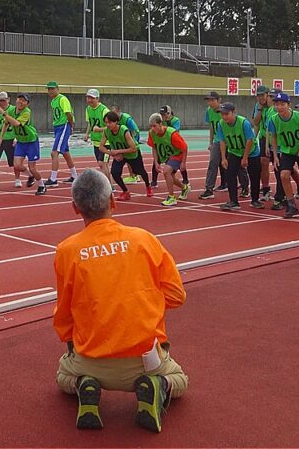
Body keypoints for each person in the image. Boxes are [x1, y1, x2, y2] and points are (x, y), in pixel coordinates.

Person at [53, 168, 189, 432]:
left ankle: (85, 385)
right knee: (180, 379)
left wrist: (72, 344)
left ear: (75, 208)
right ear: (113, 201)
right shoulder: (145, 240)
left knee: (63, 374)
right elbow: (176, 296)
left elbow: (64, 313)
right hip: (145, 359)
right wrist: (146, 303)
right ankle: (158, 386)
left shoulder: (66, 251)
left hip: (91, 357)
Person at [266, 93, 299, 218]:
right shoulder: (274, 119)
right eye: (277, 105)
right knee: (283, 175)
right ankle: (291, 204)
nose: (279, 107)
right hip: (287, 151)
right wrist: (276, 155)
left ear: (289, 105)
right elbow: (274, 136)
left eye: (282, 104)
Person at [215, 102, 262, 211]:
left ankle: (255, 200)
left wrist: (245, 157)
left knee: (254, 175)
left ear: (234, 112)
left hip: (251, 152)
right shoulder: (221, 124)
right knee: (230, 174)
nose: (224, 116)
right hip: (234, 151)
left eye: (227, 114)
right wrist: (223, 158)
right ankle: (233, 201)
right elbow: (222, 141)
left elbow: (250, 140)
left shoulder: (243, 122)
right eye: (222, 114)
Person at [0, 93, 46, 194]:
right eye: (19, 99)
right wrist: (1, 138)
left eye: (23, 100)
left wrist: (4, 113)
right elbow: (6, 124)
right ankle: (30, 175)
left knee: (33, 168)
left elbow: (16, 123)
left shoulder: (27, 112)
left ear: (27, 103)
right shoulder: (11, 110)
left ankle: (42, 185)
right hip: (20, 141)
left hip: (31, 141)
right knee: (17, 165)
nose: (20, 102)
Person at [98, 111, 153, 200]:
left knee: (139, 171)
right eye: (106, 122)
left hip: (132, 154)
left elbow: (133, 148)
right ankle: (125, 192)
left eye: (110, 122)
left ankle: (148, 185)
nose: (107, 125)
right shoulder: (106, 131)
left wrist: (118, 151)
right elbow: (101, 147)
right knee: (115, 173)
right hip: (119, 155)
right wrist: (112, 154)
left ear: (116, 122)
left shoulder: (124, 130)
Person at [147, 113, 190, 207]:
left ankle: (171, 197)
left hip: (177, 155)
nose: (153, 129)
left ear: (160, 124)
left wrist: (183, 163)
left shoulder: (172, 134)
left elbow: (185, 148)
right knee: (171, 177)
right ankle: (184, 187)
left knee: (166, 171)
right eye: (151, 126)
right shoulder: (151, 133)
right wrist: (156, 162)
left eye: (155, 126)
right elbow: (154, 148)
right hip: (167, 156)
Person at [46, 82, 78, 187]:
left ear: (57, 89)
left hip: (63, 126)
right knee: (65, 152)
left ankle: (53, 179)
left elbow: (68, 113)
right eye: (48, 89)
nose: (50, 91)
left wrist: (71, 125)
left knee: (54, 152)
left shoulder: (62, 99)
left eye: (52, 89)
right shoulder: (53, 101)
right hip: (57, 127)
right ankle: (74, 176)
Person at [199, 91, 229, 199]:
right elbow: (211, 126)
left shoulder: (225, 111)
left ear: (219, 100)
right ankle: (209, 189)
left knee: (233, 165)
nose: (210, 103)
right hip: (217, 140)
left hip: (228, 140)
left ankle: (243, 186)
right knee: (213, 163)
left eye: (212, 100)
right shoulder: (209, 111)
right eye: (208, 100)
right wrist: (210, 142)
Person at [110, 105, 144, 184]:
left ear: (119, 112)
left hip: (132, 139)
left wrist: (134, 141)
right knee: (127, 158)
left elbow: (135, 130)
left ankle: (134, 176)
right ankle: (133, 175)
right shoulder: (115, 120)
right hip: (124, 140)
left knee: (131, 158)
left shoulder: (127, 119)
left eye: (115, 113)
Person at [150, 105, 181, 188]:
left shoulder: (175, 120)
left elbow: (175, 131)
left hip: (172, 146)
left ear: (169, 113)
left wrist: (168, 121)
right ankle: (154, 181)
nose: (162, 116)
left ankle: (185, 180)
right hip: (163, 145)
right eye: (161, 114)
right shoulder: (160, 121)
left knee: (179, 165)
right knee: (156, 162)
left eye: (164, 114)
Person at [84, 89, 111, 181]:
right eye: (88, 97)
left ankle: (109, 185)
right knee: (101, 164)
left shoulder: (104, 110)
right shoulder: (88, 109)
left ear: (97, 99)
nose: (89, 100)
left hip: (106, 142)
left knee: (102, 163)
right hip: (96, 141)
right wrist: (87, 133)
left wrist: (99, 129)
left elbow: (112, 126)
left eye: (92, 98)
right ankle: (108, 184)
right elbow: (90, 123)